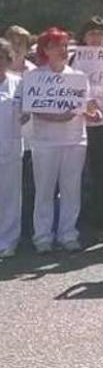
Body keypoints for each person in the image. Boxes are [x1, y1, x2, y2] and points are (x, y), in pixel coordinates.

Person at [29, 28, 101, 254]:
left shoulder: (78, 77)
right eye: (58, 45)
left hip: (74, 140)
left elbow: (86, 106)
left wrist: (93, 114)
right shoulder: (34, 77)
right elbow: (33, 108)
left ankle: (68, 234)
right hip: (45, 142)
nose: (63, 50)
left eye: (65, 45)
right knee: (45, 191)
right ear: (46, 50)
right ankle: (42, 237)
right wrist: (57, 116)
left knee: (72, 190)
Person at [76, 16, 103, 241]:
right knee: (76, 177)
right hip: (79, 126)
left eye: (100, 34)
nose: (95, 37)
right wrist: (86, 104)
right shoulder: (74, 59)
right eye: (91, 33)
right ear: (83, 36)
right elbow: (68, 92)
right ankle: (75, 223)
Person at [5, 26, 36, 240]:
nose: (17, 47)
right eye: (12, 41)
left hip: (30, 142)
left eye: (21, 43)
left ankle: (23, 232)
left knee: (26, 189)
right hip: (8, 142)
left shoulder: (34, 73)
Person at [0, 39, 24, 257]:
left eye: (1, 57)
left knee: (9, 196)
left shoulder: (19, 84)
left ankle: (8, 240)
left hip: (10, 148)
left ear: (8, 60)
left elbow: (28, 114)